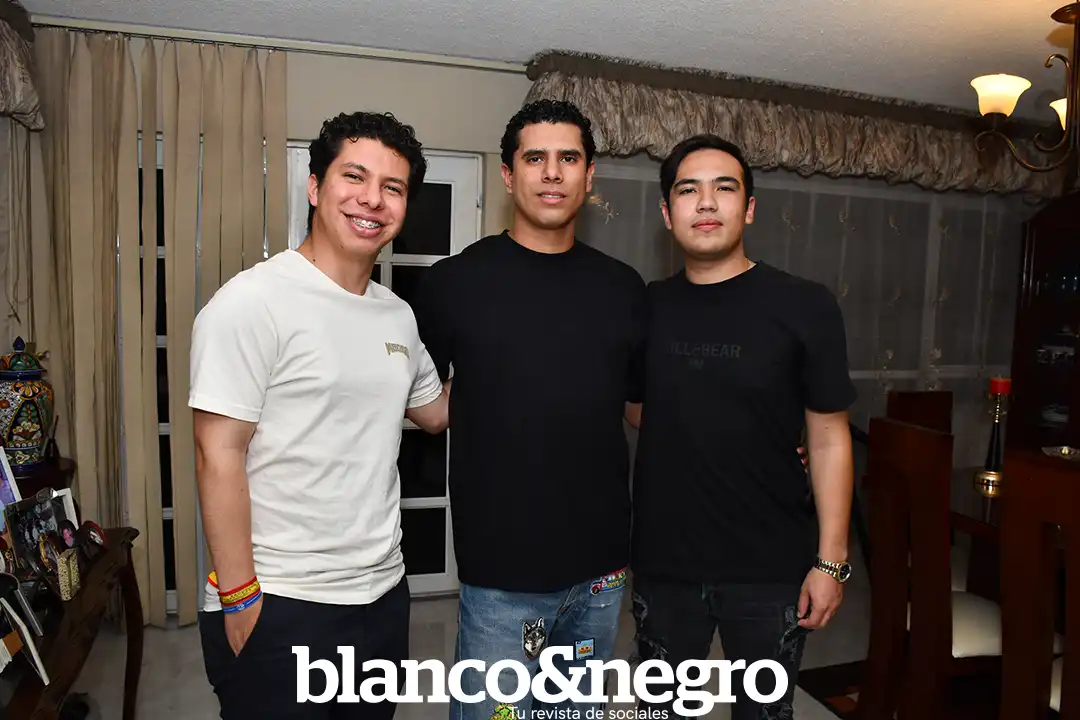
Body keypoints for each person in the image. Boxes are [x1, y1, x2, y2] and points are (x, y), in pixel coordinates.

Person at [190, 111, 450, 720]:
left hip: (382, 594)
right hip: (281, 598)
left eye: (392, 187)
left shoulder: (397, 316)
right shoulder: (252, 302)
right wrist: (240, 599)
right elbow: (216, 454)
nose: (373, 199)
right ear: (314, 186)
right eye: (354, 176)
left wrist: (516, 356)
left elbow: (435, 413)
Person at [412, 100, 646, 720]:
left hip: (601, 571)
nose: (552, 172)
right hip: (501, 573)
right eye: (535, 157)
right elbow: (423, 406)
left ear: (588, 176)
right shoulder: (454, 283)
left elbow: (642, 407)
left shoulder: (624, 288)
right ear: (508, 174)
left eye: (568, 158)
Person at [627, 134, 856, 720]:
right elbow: (636, 406)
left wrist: (831, 561)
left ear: (748, 208)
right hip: (665, 566)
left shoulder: (805, 305)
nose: (706, 203)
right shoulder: (646, 307)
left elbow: (829, 437)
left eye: (723, 189)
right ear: (667, 213)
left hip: (771, 570)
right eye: (688, 191)